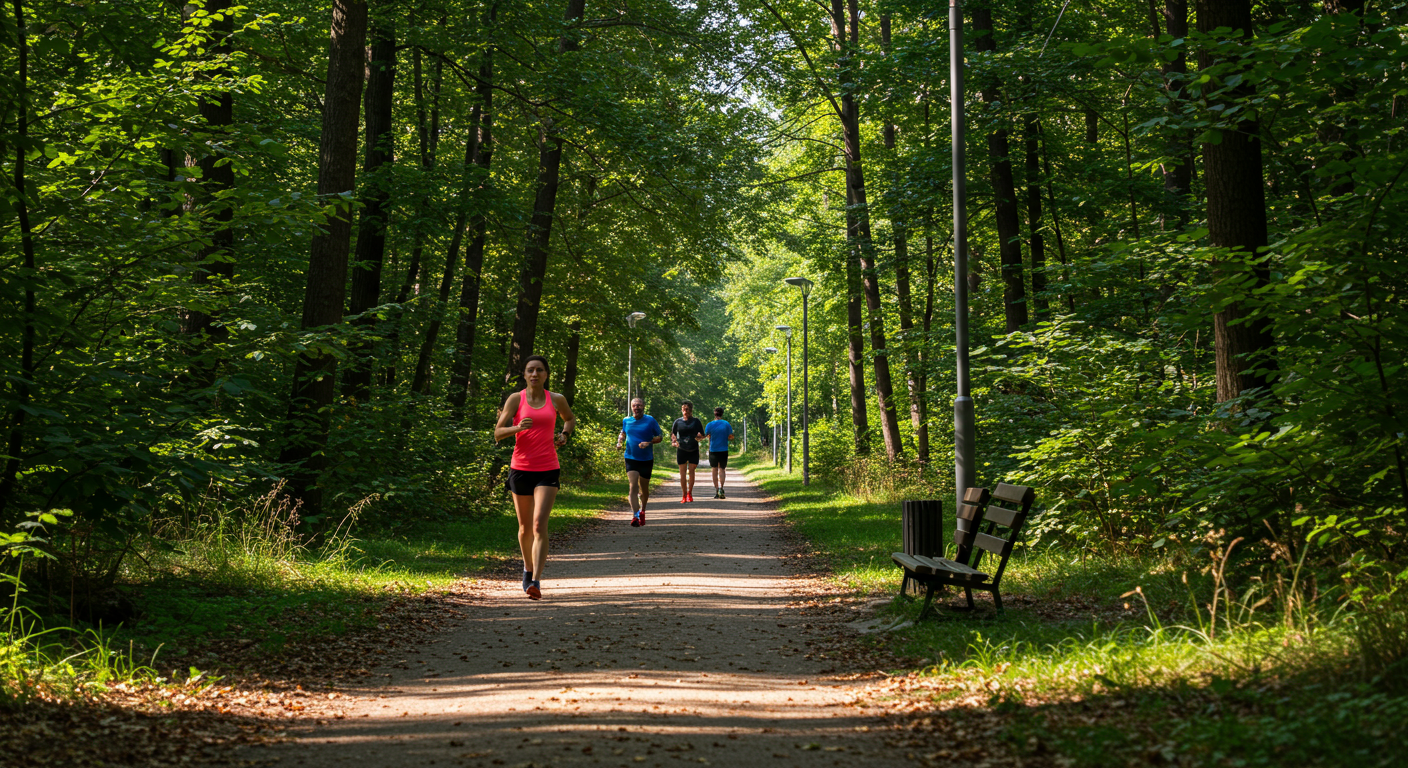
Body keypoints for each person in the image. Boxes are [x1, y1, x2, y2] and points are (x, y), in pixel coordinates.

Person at [494, 355, 576, 600]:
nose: (535, 374)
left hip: (548, 468)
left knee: (540, 524)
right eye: (530, 370)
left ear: (546, 374)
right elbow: (498, 433)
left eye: (539, 370)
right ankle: (527, 569)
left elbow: (569, 418)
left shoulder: (557, 399)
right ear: (525, 374)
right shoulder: (516, 399)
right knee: (524, 527)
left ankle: (537, 582)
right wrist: (518, 428)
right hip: (520, 468)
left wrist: (564, 434)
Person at [617, 397, 662, 527]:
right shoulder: (626, 420)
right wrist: (619, 441)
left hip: (646, 459)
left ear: (643, 407)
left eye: (639, 405)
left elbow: (659, 437)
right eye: (634, 405)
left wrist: (649, 442)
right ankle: (635, 515)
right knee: (633, 486)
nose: (637, 407)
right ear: (631, 407)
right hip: (630, 457)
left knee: (644, 490)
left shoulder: (650, 420)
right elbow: (623, 432)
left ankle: (643, 511)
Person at [670, 401, 705, 503]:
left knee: (692, 471)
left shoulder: (696, 421)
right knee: (682, 474)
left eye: (687, 410)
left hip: (693, 449)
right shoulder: (677, 422)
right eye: (683, 409)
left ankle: (690, 493)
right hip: (681, 449)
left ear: (691, 410)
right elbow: (673, 435)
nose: (685, 411)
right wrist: (674, 442)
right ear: (681, 410)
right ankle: (684, 495)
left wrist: (699, 437)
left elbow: (702, 435)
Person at [704, 406, 735, 499]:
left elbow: (706, 435)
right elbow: (731, 436)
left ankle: (716, 490)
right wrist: (725, 437)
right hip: (724, 449)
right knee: (722, 469)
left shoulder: (709, 424)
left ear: (714, 413)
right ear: (722, 414)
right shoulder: (726, 424)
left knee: (714, 469)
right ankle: (722, 487)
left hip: (713, 450)